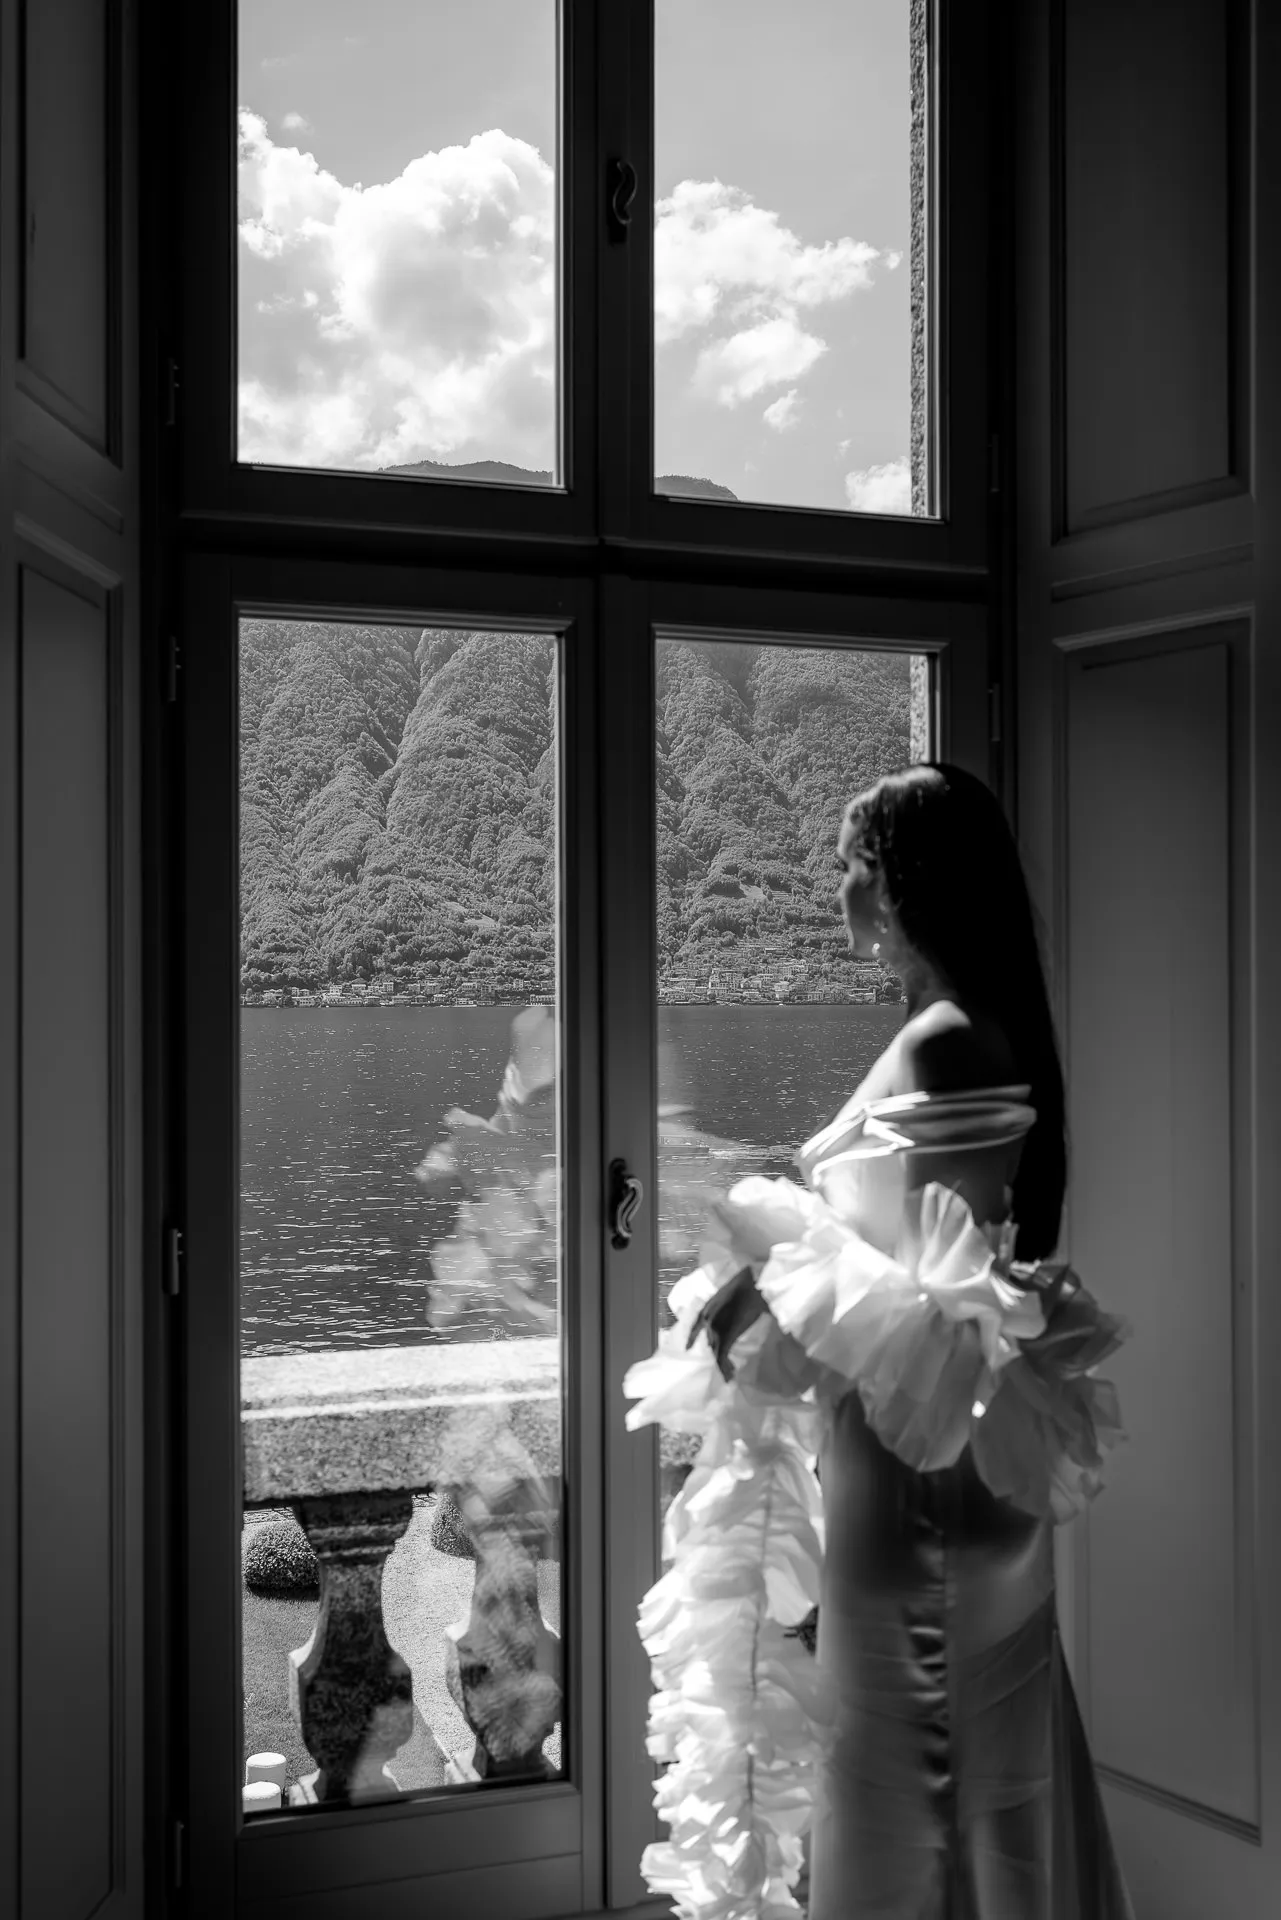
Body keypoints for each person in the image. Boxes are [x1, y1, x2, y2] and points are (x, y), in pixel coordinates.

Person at [624, 762, 1134, 1920]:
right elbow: (896, 1243)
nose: (837, 890)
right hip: (931, 1450)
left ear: (902, 884)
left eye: (849, 867)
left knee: (916, 1752)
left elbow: (909, 1278)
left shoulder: (946, 1040)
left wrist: (762, 1285)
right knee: (940, 1746)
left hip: (918, 1472)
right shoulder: (955, 1026)